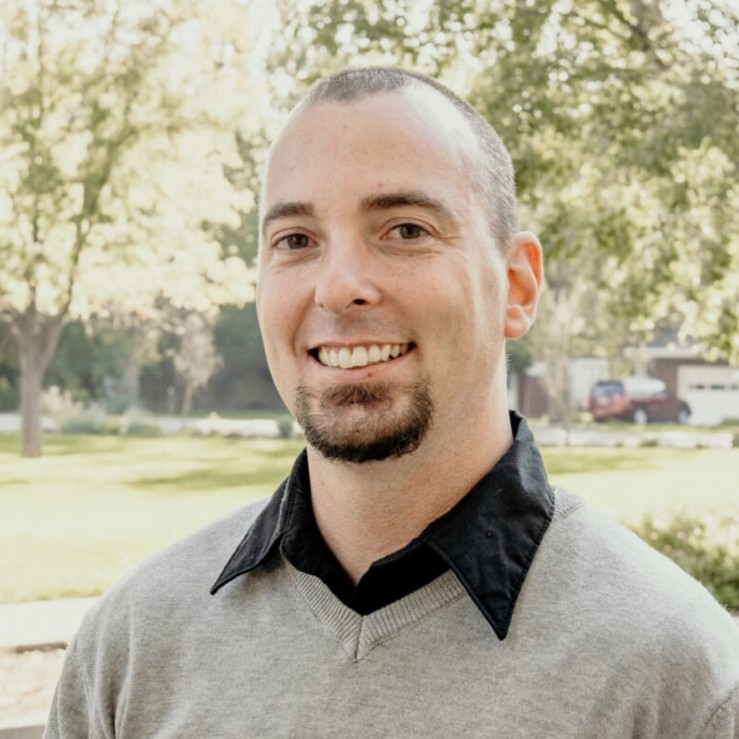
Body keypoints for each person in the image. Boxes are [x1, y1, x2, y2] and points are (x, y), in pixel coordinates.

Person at [46, 67, 739, 738]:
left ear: (517, 286)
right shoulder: (131, 645)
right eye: (296, 240)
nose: (337, 286)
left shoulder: (680, 675)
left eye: (405, 229)